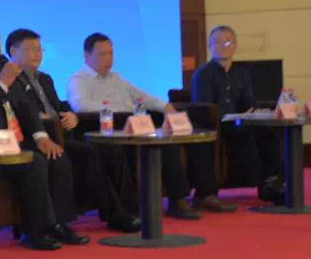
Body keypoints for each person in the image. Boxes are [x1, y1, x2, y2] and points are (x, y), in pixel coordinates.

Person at [0, 18, 88, 250]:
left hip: (14, 142)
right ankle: (34, 231)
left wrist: (41, 137)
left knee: (56, 156)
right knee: (34, 163)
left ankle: (58, 224)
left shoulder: (3, 63)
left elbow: (24, 106)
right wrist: (2, 85)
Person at [67, 32, 231, 217]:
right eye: (102, 54)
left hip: (133, 124)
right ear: (87, 56)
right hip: (105, 127)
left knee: (169, 140)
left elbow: (143, 97)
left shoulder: (116, 79)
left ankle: (182, 199)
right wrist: (115, 110)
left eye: (111, 53)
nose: (108, 58)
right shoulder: (78, 80)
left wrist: (165, 106)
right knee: (131, 147)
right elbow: (81, 105)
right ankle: (134, 206)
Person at [5, 28, 141, 233]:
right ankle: (113, 215)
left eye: (39, 49)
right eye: (30, 49)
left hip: (60, 135)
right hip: (35, 140)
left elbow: (57, 105)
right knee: (86, 153)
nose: (37, 54)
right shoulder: (11, 80)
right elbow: (18, 112)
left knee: (109, 150)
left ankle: (126, 209)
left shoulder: (44, 78)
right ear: (13, 51)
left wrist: (71, 113)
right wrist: (42, 119)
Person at [191, 25, 284, 203]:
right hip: (217, 124)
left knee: (271, 130)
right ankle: (260, 180)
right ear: (209, 46)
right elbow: (203, 108)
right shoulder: (202, 74)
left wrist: (257, 111)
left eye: (227, 42)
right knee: (245, 133)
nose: (222, 46)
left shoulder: (241, 73)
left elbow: (249, 102)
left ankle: (272, 183)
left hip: (240, 121)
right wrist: (234, 115)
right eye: (217, 42)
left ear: (235, 46)